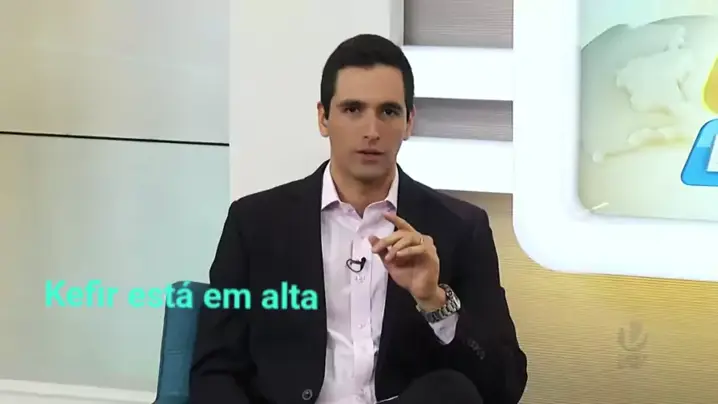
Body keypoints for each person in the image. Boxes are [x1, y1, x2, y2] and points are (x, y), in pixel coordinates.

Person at [189, 33, 527, 404]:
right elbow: (214, 371)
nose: (372, 131)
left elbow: (504, 387)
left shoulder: (460, 229)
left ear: (409, 122)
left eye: (389, 112)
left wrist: (434, 300)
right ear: (323, 118)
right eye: (353, 110)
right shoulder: (255, 224)